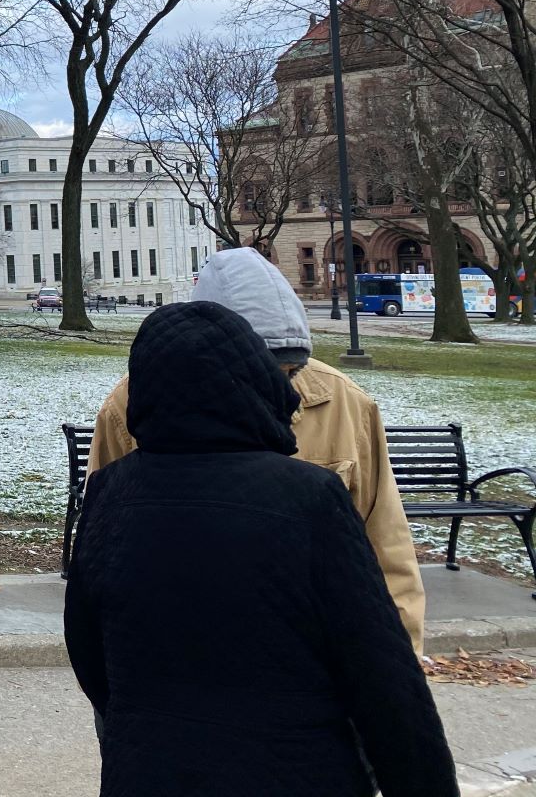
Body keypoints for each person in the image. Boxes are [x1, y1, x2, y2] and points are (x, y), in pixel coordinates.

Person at [65, 300, 457, 797]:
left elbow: (87, 647)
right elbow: (382, 674)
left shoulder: (110, 492)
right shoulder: (308, 496)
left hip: (149, 768)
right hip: (295, 767)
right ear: (257, 384)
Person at [87, 247, 425, 654]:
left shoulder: (345, 402)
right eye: (262, 372)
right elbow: (103, 553)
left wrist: (400, 663)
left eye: (291, 372)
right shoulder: (133, 406)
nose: (278, 390)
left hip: (314, 668)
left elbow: (386, 546)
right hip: (177, 664)